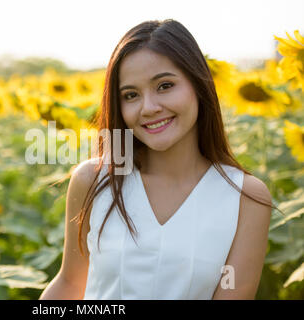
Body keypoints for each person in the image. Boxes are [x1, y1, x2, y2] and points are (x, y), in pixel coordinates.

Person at [39, 19, 275, 300]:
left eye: (164, 85)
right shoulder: (93, 179)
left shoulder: (246, 197)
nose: (148, 107)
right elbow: (70, 284)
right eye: (131, 95)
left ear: (199, 85)